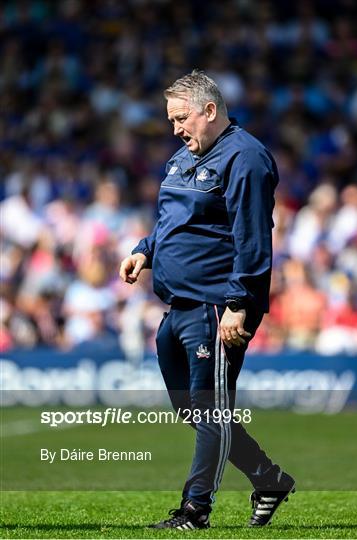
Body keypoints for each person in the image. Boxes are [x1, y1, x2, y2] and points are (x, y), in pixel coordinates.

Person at [119, 70, 295, 530]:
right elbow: (171, 218)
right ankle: (268, 478)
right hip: (178, 305)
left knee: (211, 409)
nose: (175, 128)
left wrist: (240, 301)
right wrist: (145, 249)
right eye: (172, 119)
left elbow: (252, 235)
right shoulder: (183, 158)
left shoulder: (246, 158)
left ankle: (195, 510)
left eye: (181, 118)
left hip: (218, 305)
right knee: (192, 409)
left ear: (210, 111)